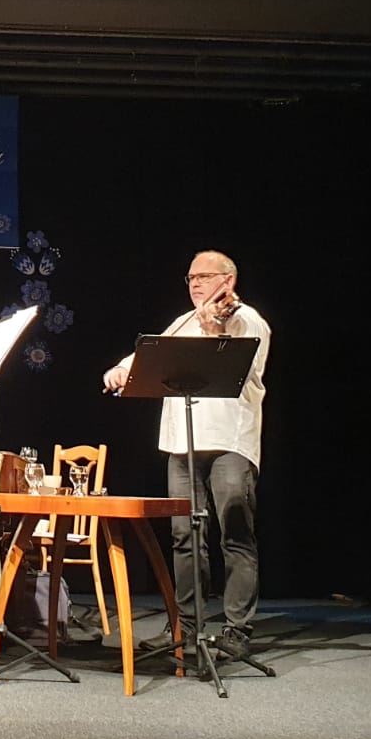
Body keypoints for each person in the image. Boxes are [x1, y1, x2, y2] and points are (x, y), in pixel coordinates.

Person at [102, 250, 271, 661]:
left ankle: (236, 629)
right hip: (182, 444)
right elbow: (150, 353)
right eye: (191, 277)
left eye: (204, 276)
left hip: (229, 440)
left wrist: (216, 331)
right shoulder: (184, 321)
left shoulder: (247, 319)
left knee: (234, 533)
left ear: (228, 281)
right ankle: (186, 627)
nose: (195, 283)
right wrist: (121, 369)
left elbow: (240, 362)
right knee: (184, 535)